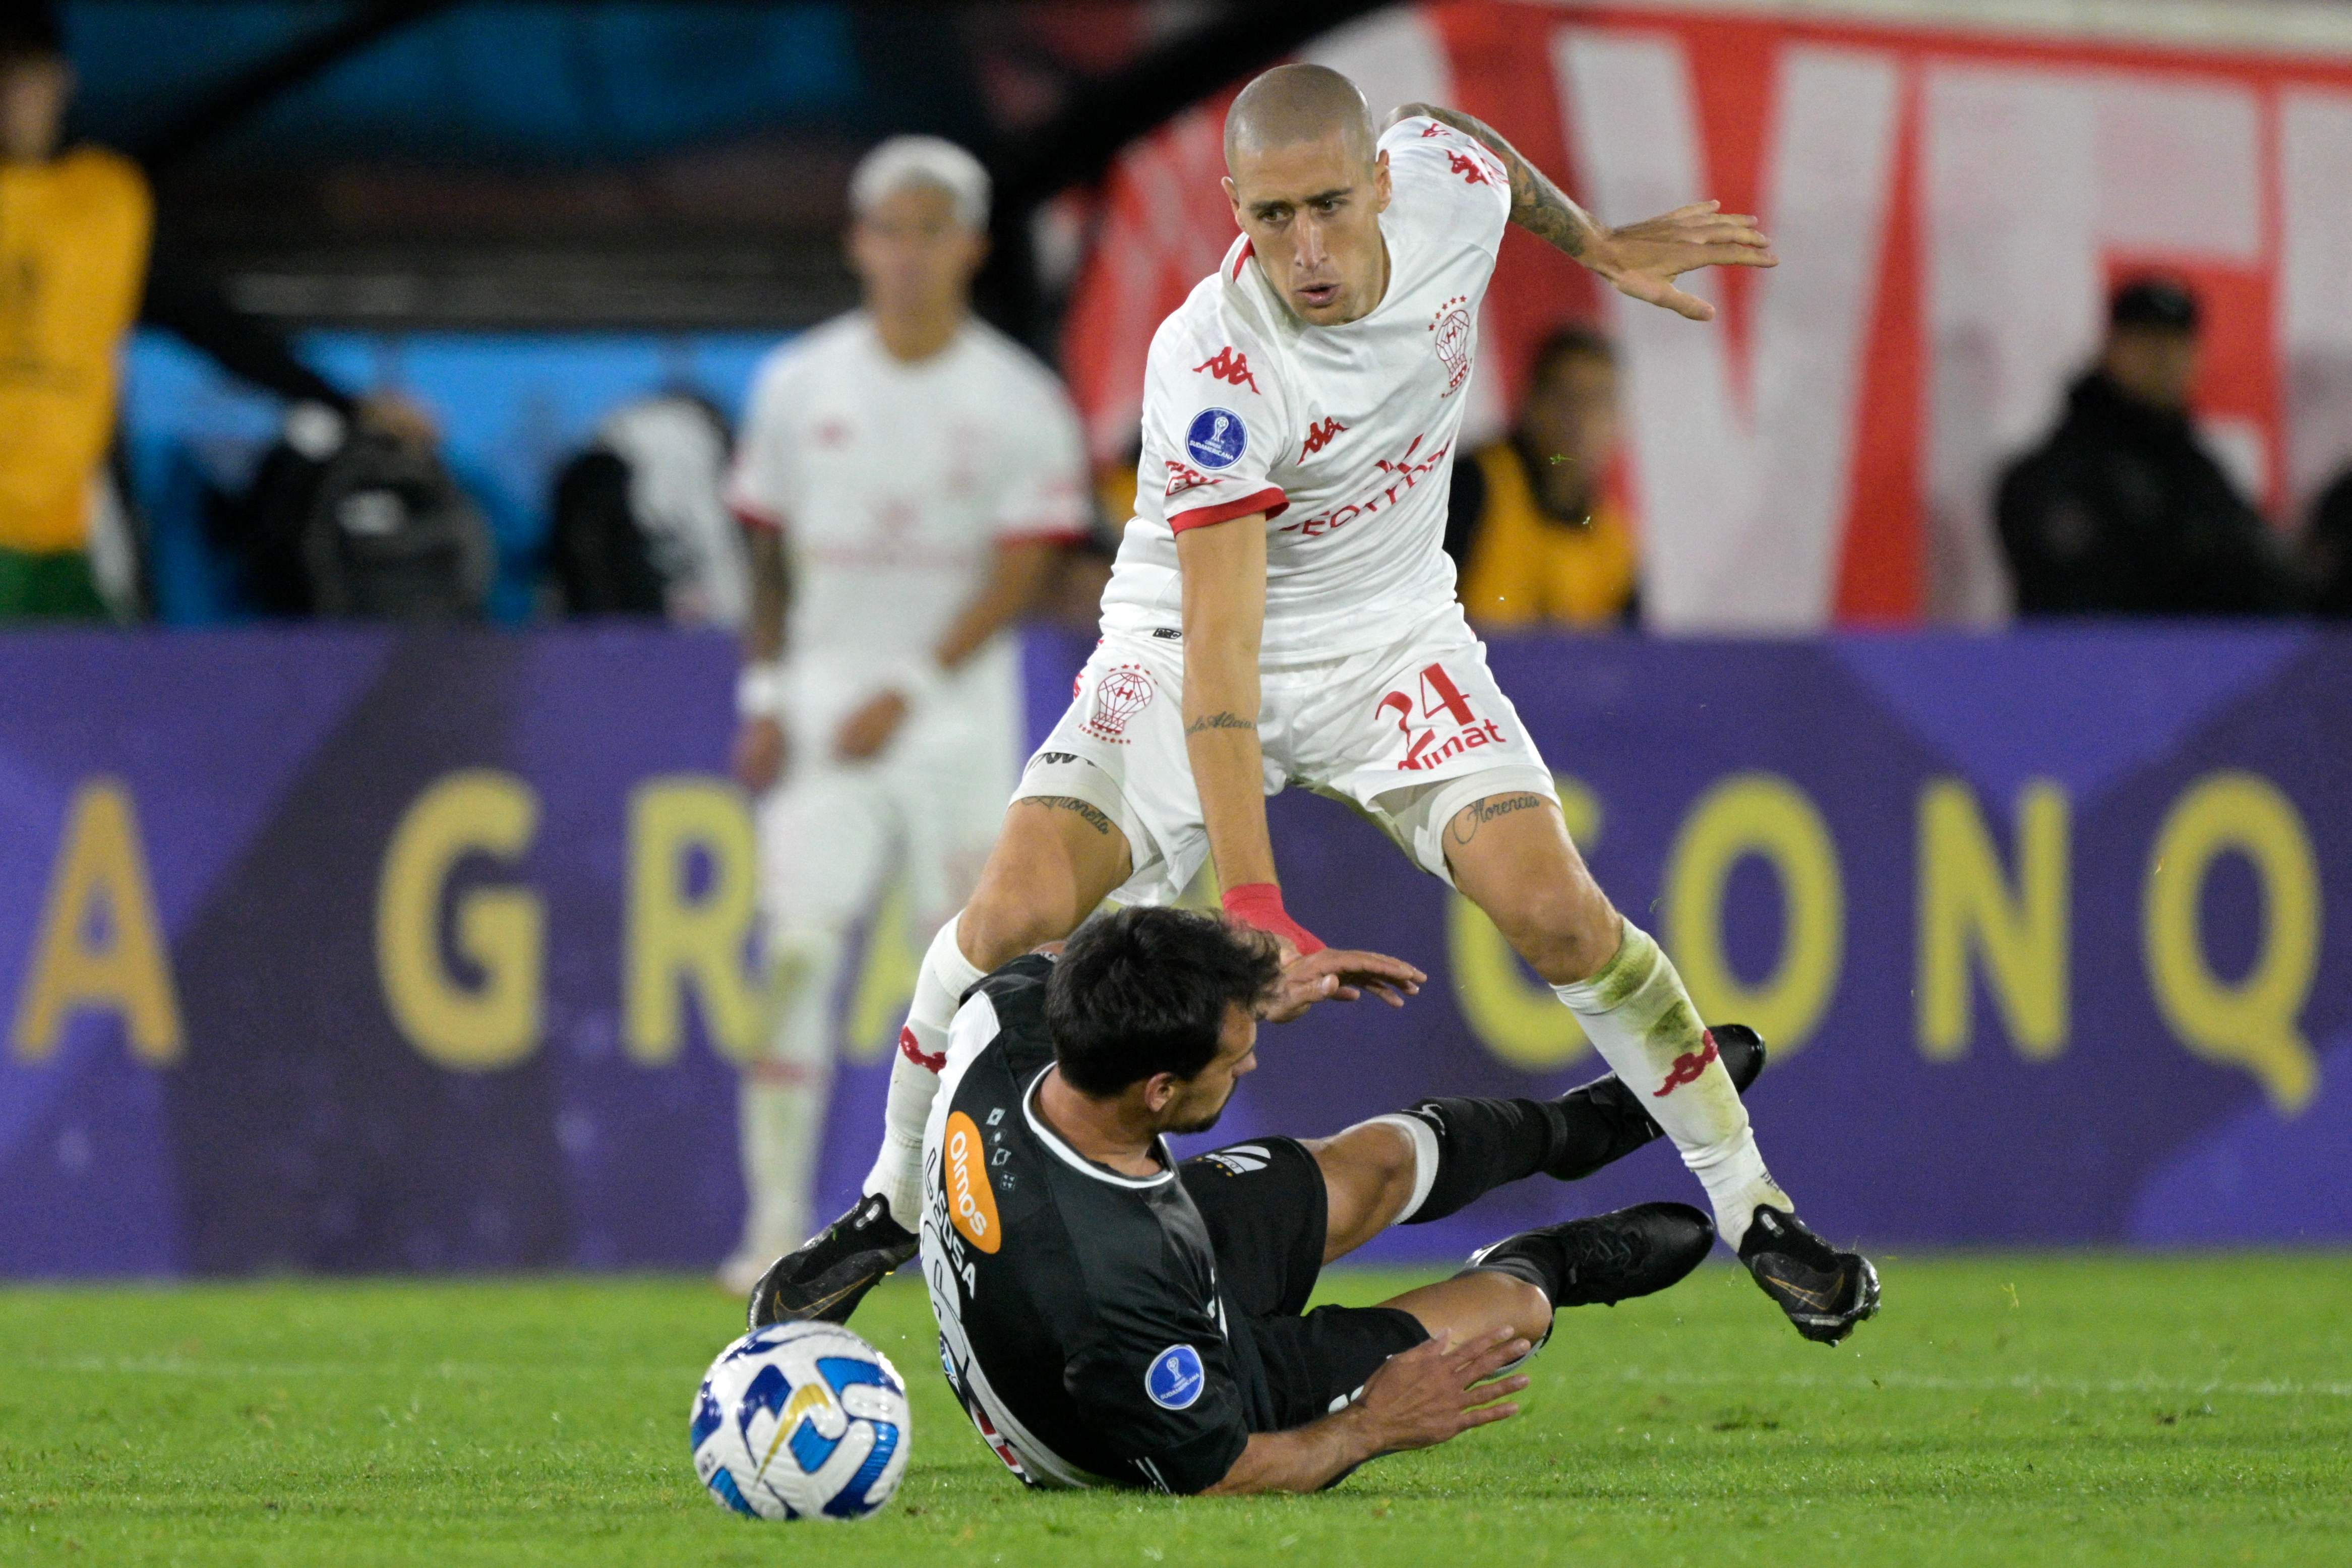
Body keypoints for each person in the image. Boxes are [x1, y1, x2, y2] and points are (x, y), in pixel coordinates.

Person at [753, 66, 1879, 1348]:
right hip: (1186, 644)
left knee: (1561, 915)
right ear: (1232, 203)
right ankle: (890, 1206)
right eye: (1270, 217)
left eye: (1329, 206)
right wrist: (1253, 910)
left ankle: (1756, 1209)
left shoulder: (1443, 186)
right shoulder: (1216, 361)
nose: (1304, 249)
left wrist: (1597, 244)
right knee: (1006, 914)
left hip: (1390, 644)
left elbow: (1475, 141)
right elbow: (1226, 666)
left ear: (1381, 181)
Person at [924, 906, 1759, 1494]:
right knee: (1509, 1316)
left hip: (1100, 1267)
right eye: (1230, 1057)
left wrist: (1232, 987)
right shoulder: (1112, 1282)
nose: (1248, 1064)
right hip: (1119, 1415)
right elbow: (1217, 1475)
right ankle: (1543, 1266)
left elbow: (1085, 950)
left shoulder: (1012, 1019)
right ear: (1158, 1089)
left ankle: (1587, 1129)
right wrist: (1373, 1427)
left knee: (1378, 1165)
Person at [718, 136, 1093, 1293]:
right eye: (890, 228)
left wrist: (917, 684)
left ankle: (965, 1216)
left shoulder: (1017, 398)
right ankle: (774, 1223)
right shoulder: (796, 385)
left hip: (953, 725)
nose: (909, 252)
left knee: (980, 973)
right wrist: (768, 693)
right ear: (858, 243)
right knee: (795, 955)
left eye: (932, 229)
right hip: (828, 712)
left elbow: (1027, 563)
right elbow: (767, 550)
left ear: (971, 245)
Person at [1997, 277, 2303, 616]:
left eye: (2177, 343)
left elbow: (2269, 581)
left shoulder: (2202, 474)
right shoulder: (2052, 477)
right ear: (2111, 349)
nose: (2163, 358)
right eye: (2146, 341)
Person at [0, 8, 152, 620]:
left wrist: (343, 404)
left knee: (127, 694)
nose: (13, 100)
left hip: (64, 535)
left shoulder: (107, 201)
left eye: (26, 79)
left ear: (61, 81)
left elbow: (204, 317)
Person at [1445, 325, 1637, 628]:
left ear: (1616, 421)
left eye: (1597, 400)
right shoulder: (1472, 486)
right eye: (1568, 397)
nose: (1580, 420)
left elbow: (1631, 665)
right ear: (1531, 402)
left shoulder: (1614, 542)